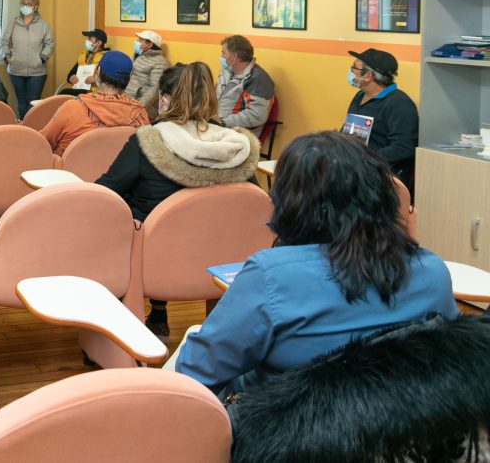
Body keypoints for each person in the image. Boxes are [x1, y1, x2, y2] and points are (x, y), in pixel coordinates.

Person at [174, 131, 457, 398]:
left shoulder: (270, 276)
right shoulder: (433, 272)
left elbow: (194, 374)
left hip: (285, 436)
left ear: (291, 202)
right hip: (400, 431)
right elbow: (446, 365)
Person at [97, 61, 259, 337]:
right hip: (223, 262)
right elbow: (252, 204)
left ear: (164, 98)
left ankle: (134, 325)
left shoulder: (147, 142)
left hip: (153, 262)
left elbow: (106, 193)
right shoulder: (236, 149)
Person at [40, 50, 149, 155]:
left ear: (98, 71)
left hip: (68, 171)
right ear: (130, 78)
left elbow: (43, 142)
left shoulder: (73, 108)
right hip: (117, 172)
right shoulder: (139, 113)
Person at [345, 48, 418, 182]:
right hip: (355, 166)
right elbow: (349, 129)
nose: (351, 71)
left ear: (368, 76)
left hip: (382, 174)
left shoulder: (399, 104)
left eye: (354, 68)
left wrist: (365, 158)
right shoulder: (360, 96)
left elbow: (404, 147)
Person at [1, 0, 54, 120]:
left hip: (37, 72)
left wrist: (42, 58)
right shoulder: (13, 23)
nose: (25, 6)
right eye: (23, 3)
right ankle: (23, 128)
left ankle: (33, 128)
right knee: (21, 101)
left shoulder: (43, 25)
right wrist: (7, 57)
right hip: (15, 70)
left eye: (29, 4)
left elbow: (49, 44)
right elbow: (4, 41)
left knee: (33, 102)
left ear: (35, 7)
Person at [216, 35, 274, 136]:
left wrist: (223, 123)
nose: (222, 57)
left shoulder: (258, 79)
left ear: (234, 57)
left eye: (224, 53)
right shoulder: (226, 71)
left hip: (239, 135)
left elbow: (257, 115)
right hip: (219, 128)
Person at [123, 29, 169, 108]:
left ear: (150, 44)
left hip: (140, 103)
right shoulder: (138, 54)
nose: (137, 42)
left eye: (140, 40)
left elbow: (155, 89)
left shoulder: (160, 62)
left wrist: (139, 106)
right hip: (127, 97)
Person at [60, 28, 110, 95]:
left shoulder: (106, 58)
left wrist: (95, 80)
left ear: (98, 43)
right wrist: (71, 77)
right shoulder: (84, 55)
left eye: (89, 39)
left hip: (95, 94)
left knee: (65, 93)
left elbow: (109, 82)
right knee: (63, 95)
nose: (87, 41)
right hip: (80, 90)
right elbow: (70, 74)